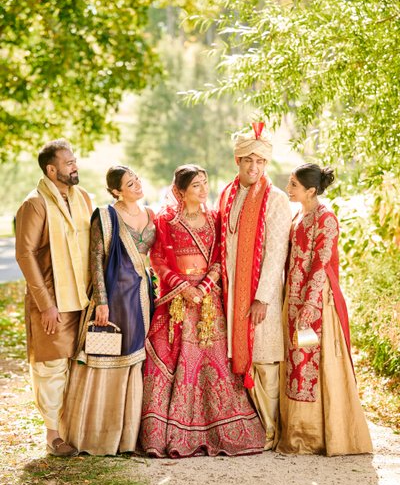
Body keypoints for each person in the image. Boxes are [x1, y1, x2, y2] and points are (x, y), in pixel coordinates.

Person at [140, 164, 265, 457]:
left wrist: (204, 287)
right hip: (178, 301)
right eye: (196, 185)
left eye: (205, 183)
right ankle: (166, 434)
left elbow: (222, 257)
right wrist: (184, 289)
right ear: (180, 191)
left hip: (209, 302)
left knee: (214, 360)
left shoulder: (214, 218)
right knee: (172, 357)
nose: (203, 189)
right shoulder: (167, 221)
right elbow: (157, 259)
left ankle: (223, 428)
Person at [275, 163, 372, 455]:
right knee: (296, 359)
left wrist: (308, 305)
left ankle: (318, 435)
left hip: (317, 301)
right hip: (292, 297)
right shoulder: (298, 215)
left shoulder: (325, 218)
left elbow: (321, 264)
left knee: (315, 359)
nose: (288, 189)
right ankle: (296, 432)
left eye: (293, 185)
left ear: (311, 191)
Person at [59, 166, 155, 455]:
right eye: (129, 183)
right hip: (114, 298)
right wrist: (101, 300)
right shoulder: (106, 216)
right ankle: (99, 435)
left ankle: (129, 438)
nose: (137, 185)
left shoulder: (152, 215)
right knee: (108, 355)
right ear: (116, 191)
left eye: (137, 179)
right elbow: (96, 259)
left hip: (142, 297)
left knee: (135, 360)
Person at [15, 139, 92, 457]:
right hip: (52, 301)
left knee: (78, 365)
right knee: (51, 368)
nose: (75, 166)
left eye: (74, 161)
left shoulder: (83, 198)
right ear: (51, 169)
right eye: (68, 162)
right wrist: (46, 304)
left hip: (82, 299)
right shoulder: (35, 204)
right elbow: (25, 254)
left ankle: (75, 428)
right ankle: (53, 436)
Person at [219, 122, 292, 450]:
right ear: (237, 161)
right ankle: (253, 428)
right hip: (234, 292)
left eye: (261, 162)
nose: (254, 167)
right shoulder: (228, 195)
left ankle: (271, 430)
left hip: (262, 295)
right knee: (242, 356)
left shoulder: (275, 199)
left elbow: (277, 251)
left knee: (265, 358)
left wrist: (262, 297)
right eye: (249, 160)